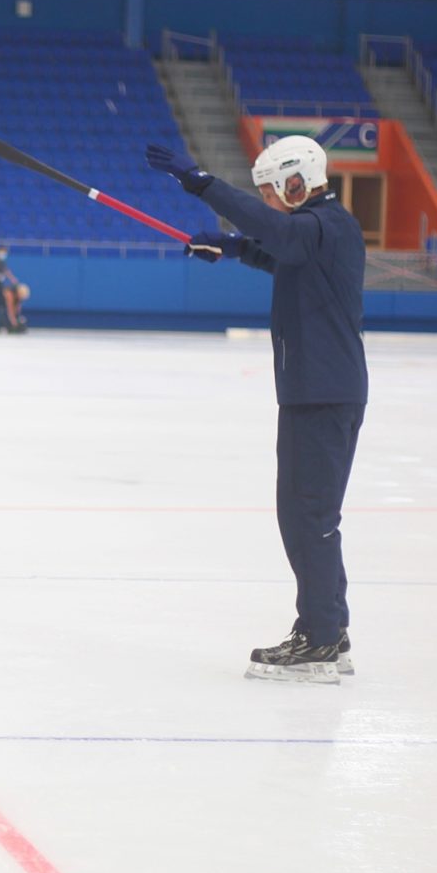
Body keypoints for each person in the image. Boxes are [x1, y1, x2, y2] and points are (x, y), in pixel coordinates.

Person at [147, 134, 367, 685]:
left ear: (299, 181)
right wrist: (231, 246)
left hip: (320, 393)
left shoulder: (327, 224)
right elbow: (278, 251)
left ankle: (317, 638)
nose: (268, 201)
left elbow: (284, 235)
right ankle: (328, 631)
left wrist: (201, 184)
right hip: (317, 390)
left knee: (306, 516)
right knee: (312, 517)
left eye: (273, 190)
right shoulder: (318, 231)